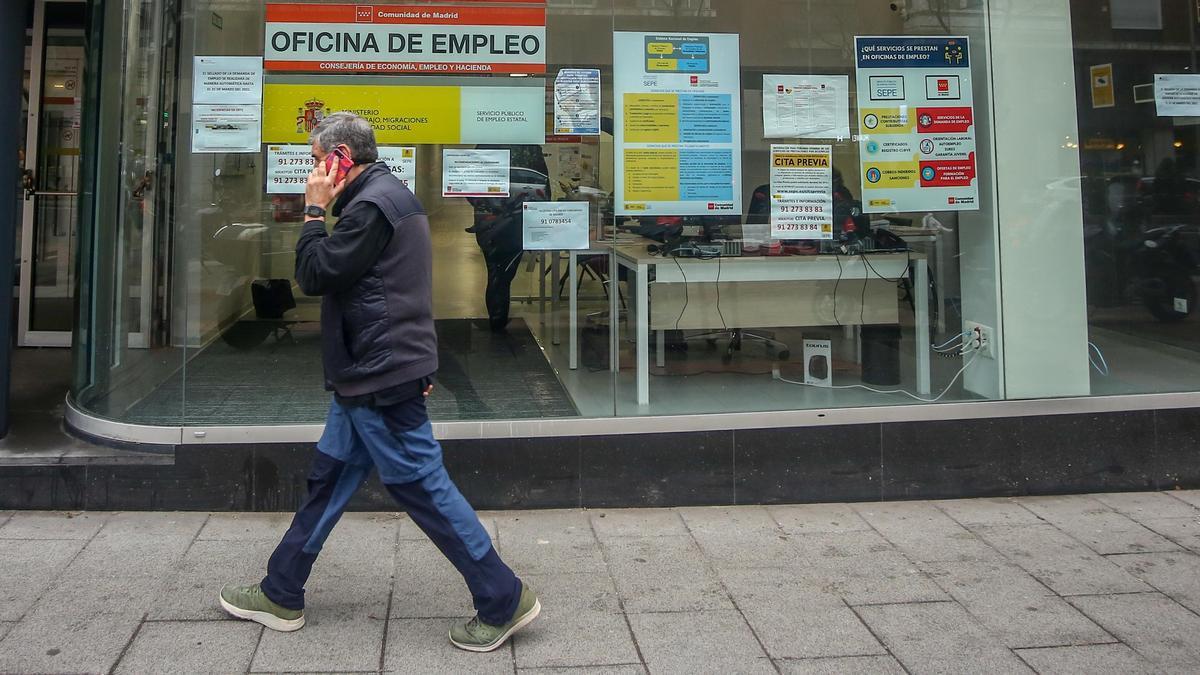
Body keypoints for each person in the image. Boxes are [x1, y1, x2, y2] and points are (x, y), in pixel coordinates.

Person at [218, 112, 540, 652]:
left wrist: (314, 211)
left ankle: (503, 598)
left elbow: (316, 274)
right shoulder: (390, 195)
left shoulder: (370, 206)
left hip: (379, 372)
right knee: (329, 477)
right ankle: (281, 589)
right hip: (370, 369)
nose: (314, 169)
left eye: (318, 159)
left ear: (342, 157)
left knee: (421, 485)